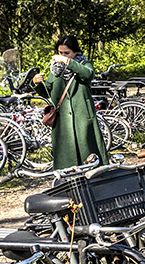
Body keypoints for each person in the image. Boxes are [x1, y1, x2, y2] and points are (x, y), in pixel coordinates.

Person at [33, 36, 109, 169]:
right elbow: (47, 92)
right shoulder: (54, 69)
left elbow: (88, 74)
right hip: (63, 122)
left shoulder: (84, 64)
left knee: (89, 155)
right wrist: (36, 83)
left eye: (66, 53)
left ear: (75, 52)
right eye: (60, 52)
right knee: (66, 164)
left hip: (83, 117)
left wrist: (68, 61)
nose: (62, 56)